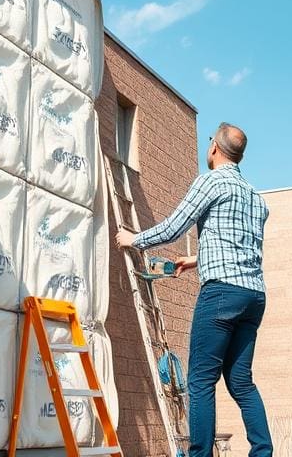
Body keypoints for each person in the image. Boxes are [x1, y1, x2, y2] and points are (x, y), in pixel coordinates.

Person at [115, 122, 272, 457]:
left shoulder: (211, 182)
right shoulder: (256, 199)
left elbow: (173, 227)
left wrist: (134, 239)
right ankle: (263, 452)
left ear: (214, 147)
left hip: (221, 296)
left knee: (201, 380)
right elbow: (241, 248)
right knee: (241, 382)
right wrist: (197, 259)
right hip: (253, 296)